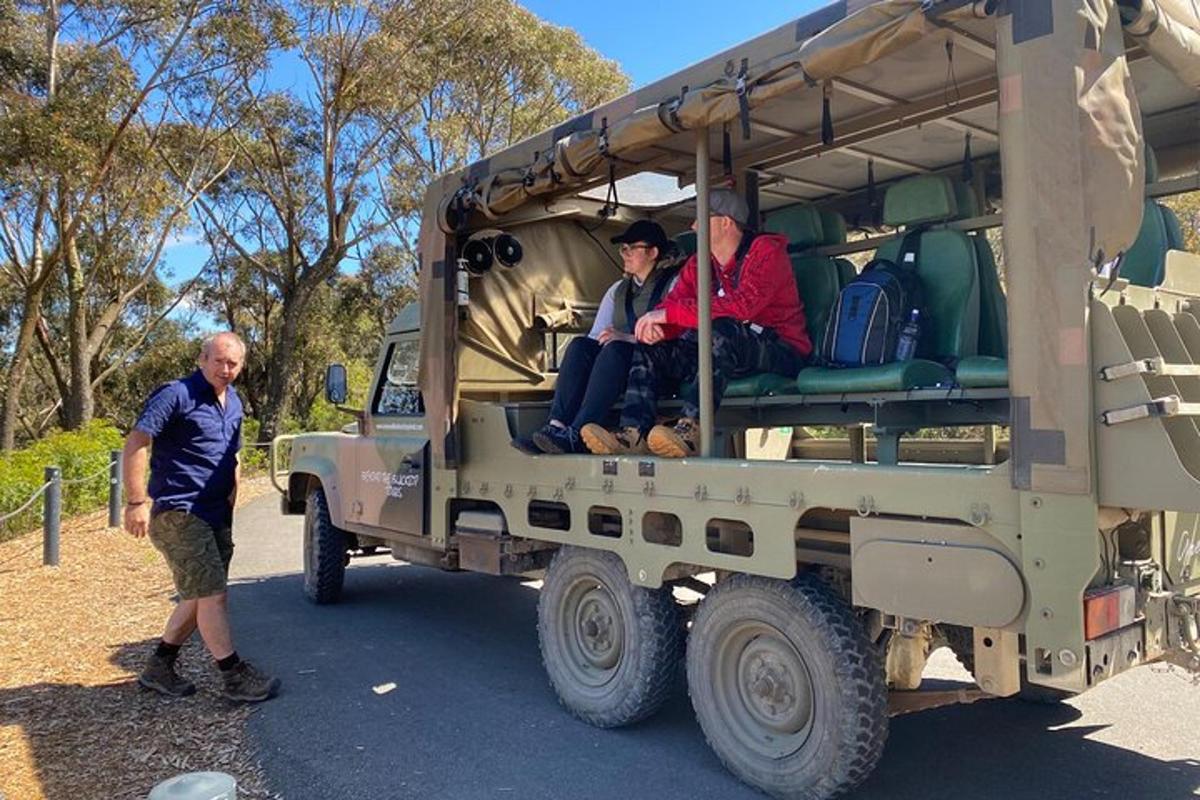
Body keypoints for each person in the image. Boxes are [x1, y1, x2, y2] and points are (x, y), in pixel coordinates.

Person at [581, 188, 811, 458]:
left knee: (722, 328)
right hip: (719, 353)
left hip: (779, 349)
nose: (693, 226)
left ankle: (691, 430)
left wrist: (667, 316)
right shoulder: (700, 263)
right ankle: (633, 433)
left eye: (701, 218)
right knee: (652, 347)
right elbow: (672, 305)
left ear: (725, 222)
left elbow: (742, 306)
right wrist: (659, 328)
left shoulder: (766, 251)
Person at [123, 331, 280, 702]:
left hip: (215, 513)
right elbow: (137, 442)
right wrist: (135, 501)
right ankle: (233, 676)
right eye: (219, 361)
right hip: (180, 511)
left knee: (197, 597)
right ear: (202, 359)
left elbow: (233, 455)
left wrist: (231, 499)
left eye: (233, 363)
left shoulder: (235, 401)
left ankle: (159, 666)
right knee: (213, 595)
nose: (225, 369)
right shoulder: (176, 394)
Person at [512, 219, 679, 454]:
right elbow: (595, 337)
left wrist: (624, 338)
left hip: (658, 369)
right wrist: (612, 340)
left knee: (615, 349)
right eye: (624, 249)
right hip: (621, 364)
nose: (626, 254)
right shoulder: (617, 291)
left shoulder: (674, 285)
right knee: (581, 345)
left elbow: (679, 337)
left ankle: (578, 432)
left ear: (653, 252)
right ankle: (556, 426)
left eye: (632, 248)